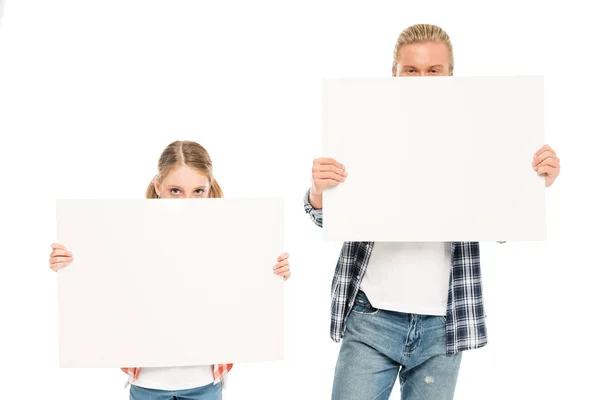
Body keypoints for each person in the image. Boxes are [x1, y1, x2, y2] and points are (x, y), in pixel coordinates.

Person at [304, 24, 561, 400]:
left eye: (433, 71)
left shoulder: (477, 137)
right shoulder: (362, 128)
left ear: (450, 77)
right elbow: (328, 218)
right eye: (411, 71)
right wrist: (318, 193)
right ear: (394, 74)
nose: (421, 81)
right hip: (371, 316)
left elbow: (503, 223)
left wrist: (532, 185)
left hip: (443, 325)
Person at [49, 140, 291, 400]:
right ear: (158, 187)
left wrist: (272, 273)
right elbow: (108, 283)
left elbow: (243, 294)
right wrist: (71, 266)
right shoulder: (129, 235)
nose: (187, 201)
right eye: (176, 190)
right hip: (147, 383)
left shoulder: (229, 238)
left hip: (205, 382)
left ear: (209, 189)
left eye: (198, 191)